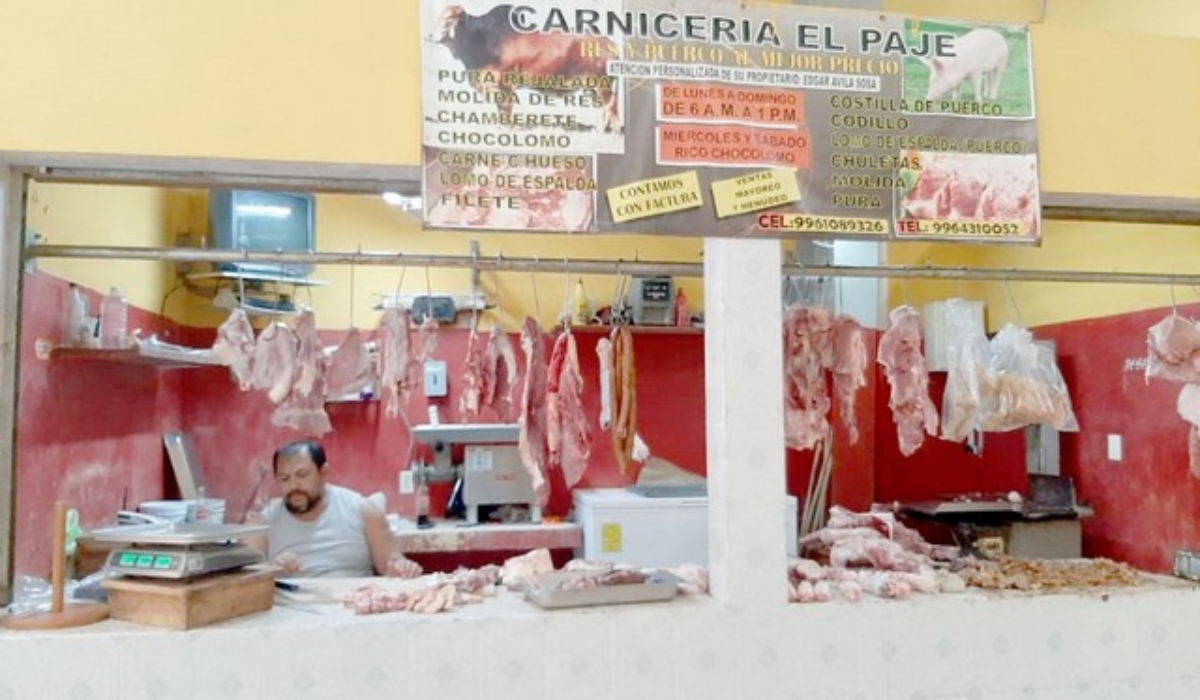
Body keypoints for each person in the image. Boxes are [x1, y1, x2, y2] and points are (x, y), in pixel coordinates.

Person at [244, 439, 422, 579]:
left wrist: (402, 568)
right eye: (284, 478)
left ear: (323, 472)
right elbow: (242, 577)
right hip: (289, 612)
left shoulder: (364, 511)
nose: (293, 486)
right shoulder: (262, 524)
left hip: (352, 608)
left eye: (302, 475)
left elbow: (391, 563)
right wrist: (271, 569)